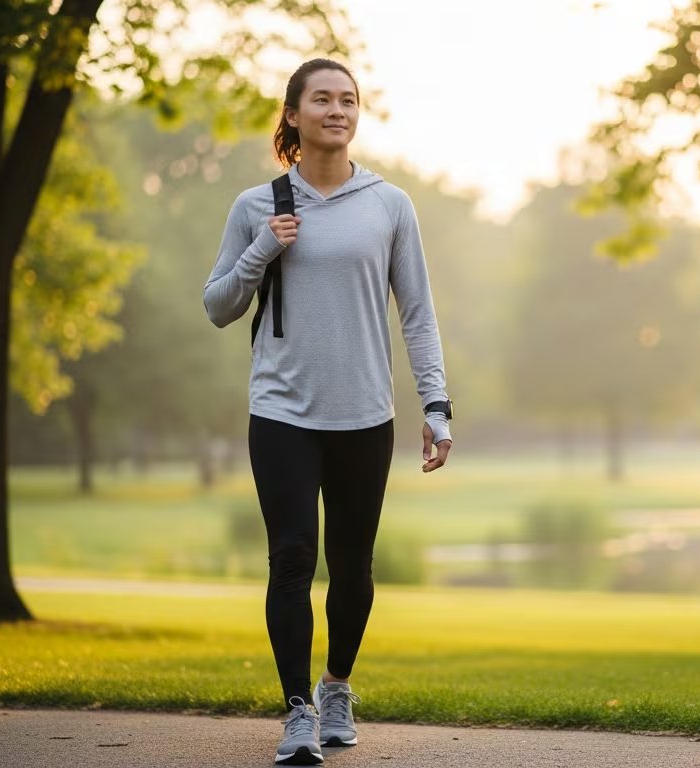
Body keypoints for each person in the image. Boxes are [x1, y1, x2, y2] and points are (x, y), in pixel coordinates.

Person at [203, 58, 453, 766]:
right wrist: (262, 248)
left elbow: (419, 315)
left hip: (364, 414)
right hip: (281, 411)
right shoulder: (259, 205)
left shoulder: (389, 204)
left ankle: (336, 684)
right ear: (293, 115)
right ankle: (298, 712)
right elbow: (218, 306)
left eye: (348, 99)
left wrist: (436, 404)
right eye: (322, 99)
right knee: (290, 559)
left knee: (352, 567)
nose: (337, 110)